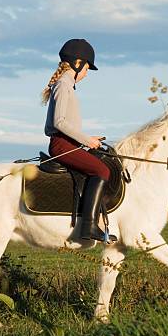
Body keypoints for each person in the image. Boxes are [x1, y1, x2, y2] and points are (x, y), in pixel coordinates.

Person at [42, 38, 117, 243]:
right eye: (86, 69)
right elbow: (59, 122)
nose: (86, 74)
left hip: (68, 142)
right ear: (77, 63)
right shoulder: (64, 85)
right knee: (102, 170)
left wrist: (89, 139)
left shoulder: (66, 85)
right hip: (62, 144)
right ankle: (89, 226)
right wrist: (86, 139)